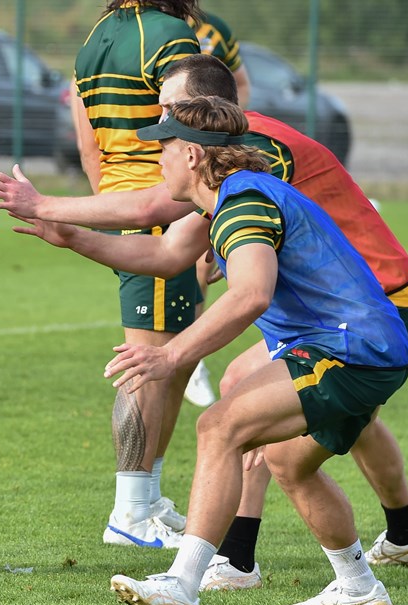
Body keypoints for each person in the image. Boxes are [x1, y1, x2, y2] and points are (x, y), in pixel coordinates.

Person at [0, 53, 408, 586]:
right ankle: (386, 549)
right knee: (292, 450)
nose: (162, 129)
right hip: (336, 316)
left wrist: (44, 204)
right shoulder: (230, 173)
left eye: (172, 114)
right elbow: (168, 254)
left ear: (201, 133)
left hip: (366, 303)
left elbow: (166, 223)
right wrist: (72, 236)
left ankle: (229, 562)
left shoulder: (249, 161)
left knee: (240, 409)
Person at [69, 0, 203, 549]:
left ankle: (146, 499)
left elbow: (87, 145)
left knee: (172, 361)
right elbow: (199, 134)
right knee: (149, 363)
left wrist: (115, 209)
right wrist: (194, 212)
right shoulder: (171, 33)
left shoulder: (95, 37)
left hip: (133, 208)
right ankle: (128, 512)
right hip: (163, 209)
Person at [182, 11, 251, 407]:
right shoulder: (152, 28)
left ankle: (190, 357)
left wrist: (228, 128)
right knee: (193, 257)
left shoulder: (216, 30)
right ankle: (193, 361)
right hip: (188, 160)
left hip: (214, 159)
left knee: (199, 257)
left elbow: (240, 84)